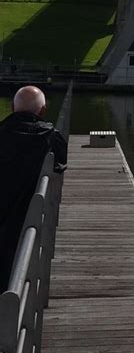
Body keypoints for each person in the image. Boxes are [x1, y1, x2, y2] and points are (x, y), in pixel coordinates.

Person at [0, 86, 68, 293]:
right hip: (26, 218)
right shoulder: (50, 137)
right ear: (43, 110)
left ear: (12, 108)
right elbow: (62, 161)